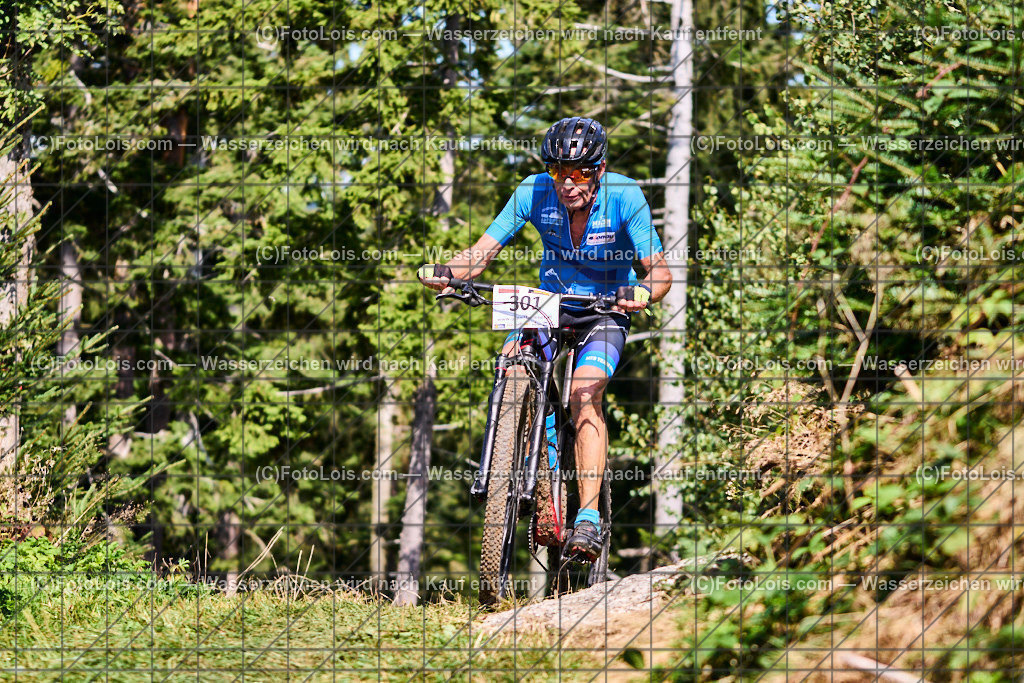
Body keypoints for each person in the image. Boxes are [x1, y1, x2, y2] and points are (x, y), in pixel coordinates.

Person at [418, 116, 672, 561]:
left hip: (605, 308)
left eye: (580, 173)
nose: (567, 183)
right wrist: (446, 272)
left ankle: (588, 518)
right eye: (558, 171)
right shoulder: (533, 191)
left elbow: (661, 273)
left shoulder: (625, 195)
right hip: (549, 303)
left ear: (599, 169)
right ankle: (515, 466)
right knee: (512, 361)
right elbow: (481, 253)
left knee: (584, 395)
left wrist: (643, 293)